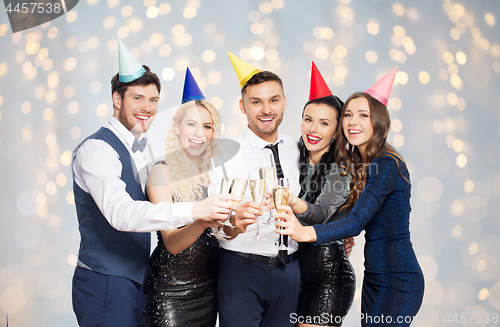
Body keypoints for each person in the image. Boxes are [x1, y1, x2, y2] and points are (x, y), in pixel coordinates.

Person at [71, 41, 234, 327]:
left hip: (137, 281)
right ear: (117, 99)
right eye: (137, 98)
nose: (147, 107)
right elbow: (121, 215)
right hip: (106, 282)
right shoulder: (98, 149)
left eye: (153, 100)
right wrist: (195, 211)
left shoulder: (141, 148)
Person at [276, 68, 425, 327]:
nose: (353, 122)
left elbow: (356, 222)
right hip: (375, 276)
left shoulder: (385, 163)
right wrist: (342, 231)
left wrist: (304, 233)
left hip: (398, 278)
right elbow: (359, 215)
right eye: (348, 115)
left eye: (363, 115)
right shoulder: (361, 163)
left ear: (378, 122)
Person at [207, 52, 301, 327]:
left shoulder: (300, 150)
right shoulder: (224, 153)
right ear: (242, 105)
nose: (266, 109)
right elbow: (214, 219)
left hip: (290, 270)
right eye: (256, 102)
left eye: (273, 100)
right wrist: (234, 221)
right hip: (241, 269)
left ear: (284, 102)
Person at [143, 68, 221, 327]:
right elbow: (172, 244)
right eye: (192, 124)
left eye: (207, 126)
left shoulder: (214, 177)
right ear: (177, 127)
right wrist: (202, 219)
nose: (200, 133)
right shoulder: (160, 173)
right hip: (170, 294)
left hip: (208, 292)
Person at [287, 62, 355, 327]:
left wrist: (289, 201)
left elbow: (321, 214)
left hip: (327, 275)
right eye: (308, 119)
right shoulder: (291, 156)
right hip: (291, 272)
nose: (313, 129)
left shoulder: (342, 169)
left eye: (324, 123)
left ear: (337, 130)